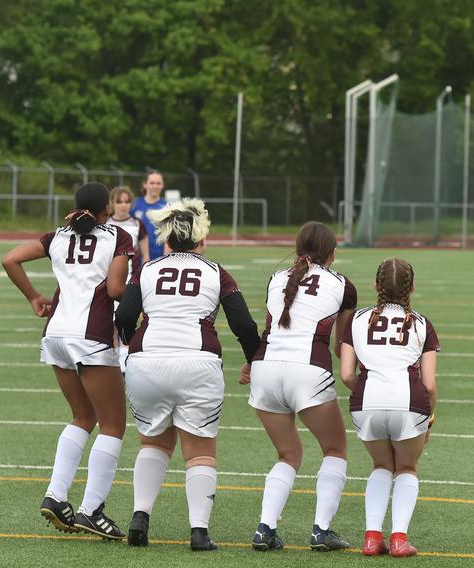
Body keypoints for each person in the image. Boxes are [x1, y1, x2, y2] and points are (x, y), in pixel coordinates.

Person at [115, 198, 260, 551]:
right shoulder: (215, 272)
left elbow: (123, 318)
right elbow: (243, 323)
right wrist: (252, 360)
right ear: (201, 239)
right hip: (197, 363)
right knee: (200, 452)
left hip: (147, 361)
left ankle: (140, 516)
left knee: (153, 443)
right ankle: (198, 531)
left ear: (166, 238)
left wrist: (133, 344)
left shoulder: (148, 269)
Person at [2, 182, 133, 540]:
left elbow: (9, 258)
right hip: (90, 336)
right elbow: (117, 289)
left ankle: (56, 496)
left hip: (56, 333)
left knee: (82, 416)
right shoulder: (118, 237)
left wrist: (33, 297)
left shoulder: (56, 236)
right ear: (107, 208)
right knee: (113, 425)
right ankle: (91, 510)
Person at [242, 221, 357, 552]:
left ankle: (265, 528)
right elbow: (342, 345)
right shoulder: (343, 285)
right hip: (307, 370)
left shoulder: (277, 278)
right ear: (332, 254)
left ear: (297, 249)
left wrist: (251, 364)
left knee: (287, 454)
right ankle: (321, 530)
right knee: (334, 450)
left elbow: (269, 329)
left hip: (265, 369)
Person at [339, 258, 439, 557]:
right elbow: (430, 384)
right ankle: (398, 539)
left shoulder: (356, 320)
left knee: (381, 466)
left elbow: (346, 373)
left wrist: (370, 394)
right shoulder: (422, 324)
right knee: (406, 468)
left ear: (376, 286)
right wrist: (429, 419)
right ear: (412, 288)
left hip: (366, 401)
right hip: (408, 402)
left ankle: (371, 538)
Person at [107, 186, 150, 371]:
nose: (123, 206)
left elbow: (146, 256)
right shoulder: (106, 223)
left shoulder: (137, 224)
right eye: (119, 201)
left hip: (129, 280)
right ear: (111, 204)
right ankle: (112, 357)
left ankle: (125, 357)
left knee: (125, 318)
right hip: (107, 279)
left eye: (126, 201)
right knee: (108, 320)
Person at [130, 170, 167, 261]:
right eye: (152, 183)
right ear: (145, 184)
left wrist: (166, 258)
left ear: (162, 185)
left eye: (158, 183)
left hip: (159, 260)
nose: (155, 186)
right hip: (136, 259)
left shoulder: (167, 207)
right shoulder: (134, 205)